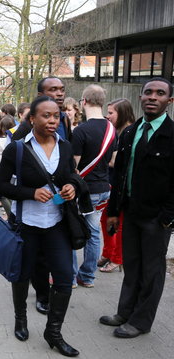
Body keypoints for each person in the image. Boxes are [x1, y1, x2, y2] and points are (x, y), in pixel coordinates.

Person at [0, 96, 84, 357]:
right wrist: (30, 192)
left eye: (56, 115)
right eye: (46, 115)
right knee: (22, 275)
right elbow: (0, 185)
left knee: (65, 278)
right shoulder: (18, 149)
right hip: (27, 225)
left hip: (56, 224)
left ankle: (53, 332)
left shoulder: (65, 147)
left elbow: (73, 176)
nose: (52, 120)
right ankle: (20, 319)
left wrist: (72, 187)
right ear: (32, 118)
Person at [101, 78, 174, 338]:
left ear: (169, 100)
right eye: (148, 93)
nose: (153, 97)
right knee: (131, 265)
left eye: (160, 93)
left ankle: (141, 321)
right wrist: (113, 212)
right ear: (141, 98)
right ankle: (125, 312)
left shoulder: (171, 135)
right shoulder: (130, 133)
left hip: (157, 219)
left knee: (151, 271)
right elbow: (119, 177)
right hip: (129, 213)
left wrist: (167, 219)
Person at [72, 85, 117, 288]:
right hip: (103, 189)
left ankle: (71, 276)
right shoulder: (111, 129)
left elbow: (74, 166)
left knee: (72, 230)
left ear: (84, 102)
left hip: (83, 191)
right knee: (94, 233)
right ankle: (88, 277)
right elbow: (112, 162)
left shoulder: (81, 130)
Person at [98, 98, 135, 273]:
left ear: (122, 113)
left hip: (119, 187)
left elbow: (120, 163)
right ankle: (108, 253)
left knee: (118, 224)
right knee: (106, 220)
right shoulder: (116, 131)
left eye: (111, 112)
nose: (108, 115)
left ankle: (117, 258)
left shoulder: (130, 133)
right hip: (110, 183)